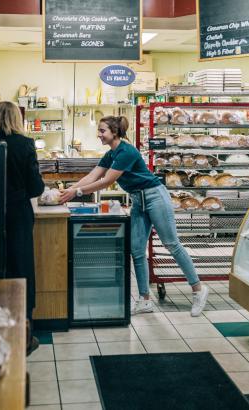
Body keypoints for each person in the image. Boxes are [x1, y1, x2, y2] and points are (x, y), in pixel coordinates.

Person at [59, 116, 209, 316]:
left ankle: (198, 290)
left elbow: (106, 181)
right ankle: (145, 300)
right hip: (139, 200)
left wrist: (76, 193)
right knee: (137, 250)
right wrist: (68, 190)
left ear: (114, 132)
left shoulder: (126, 151)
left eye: (102, 131)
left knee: (171, 244)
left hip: (155, 196)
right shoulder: (111, 154)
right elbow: (93, 175)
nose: (99, 135)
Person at [0, 101, 45, 353]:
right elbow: (36, 188)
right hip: (17, 216)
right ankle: (23, 336)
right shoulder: (24, 144)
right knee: (21, 271)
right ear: (17, 119)